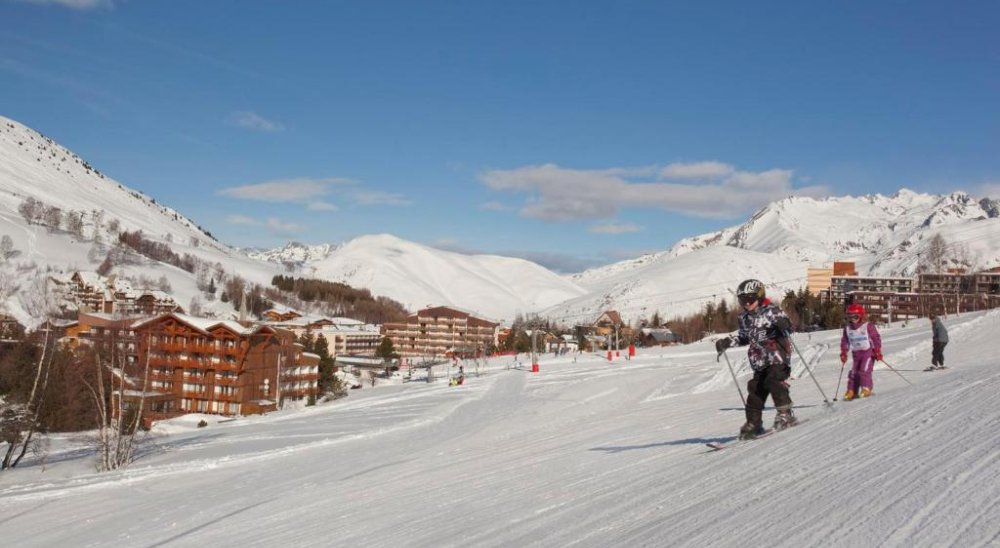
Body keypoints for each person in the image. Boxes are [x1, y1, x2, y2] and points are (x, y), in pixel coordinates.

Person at [714, 279, 797, 440]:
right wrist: (728, 342)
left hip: (777, 355)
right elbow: (744, 337)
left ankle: (785, 414)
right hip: (759, 360)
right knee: (755, 388)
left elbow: (789, 327)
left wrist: (784, 324)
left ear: (759, 296)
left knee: (773, 380)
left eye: (749, 300)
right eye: (742, 300)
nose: (746, 304)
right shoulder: (744, 317)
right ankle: (753, 424)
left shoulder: (772, 311)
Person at [839, 303, 882, 400]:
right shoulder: (848, 328)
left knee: (864, 370)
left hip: (868, 352)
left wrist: (877, 350)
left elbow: (875, 338)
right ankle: (852, 391)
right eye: (850, 316)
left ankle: (866, 388)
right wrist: (844, 352)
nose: (852, 319)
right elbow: (845, 341)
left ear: (861, 315)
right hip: (856, 354)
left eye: (855, 316)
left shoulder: (868, 326)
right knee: (854, 372)